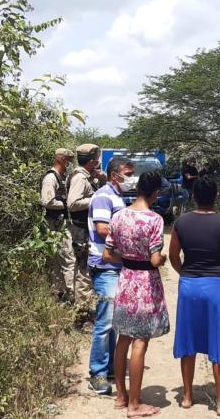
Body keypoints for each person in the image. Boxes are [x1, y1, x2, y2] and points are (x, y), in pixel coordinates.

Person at [169, 177, 220, 416]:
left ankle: (188, 397)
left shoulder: (182, 222)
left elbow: (173, 256)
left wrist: (186, 274)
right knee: (219, 341)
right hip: (216, 286)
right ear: (217, 195)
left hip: (189, 284)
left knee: (188, 340)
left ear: (193, 197)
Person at [102, 171, 170, 418]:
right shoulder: (154, 220)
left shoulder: (118, 217)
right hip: (145, 285)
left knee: (123, 340)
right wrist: (160, 258)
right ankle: (134, 404)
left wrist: (129, 258)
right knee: (140, 342)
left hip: (126, 281)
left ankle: (121, 397)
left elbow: (107, 255)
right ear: (155, 193)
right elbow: (154, 260)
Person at [85, 157, 134, 395]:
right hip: (104, 266)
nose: (131, 177)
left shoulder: (117, 197)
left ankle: (112, 367)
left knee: (114, 320)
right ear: (115, 174)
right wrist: (130, 239)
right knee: (105, 322)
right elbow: (102, 229)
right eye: (128, 173)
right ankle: (97, 374)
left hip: (116, 264)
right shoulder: (104, 195)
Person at [41, 148, 90, 302]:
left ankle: (59, 294)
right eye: (68, 160)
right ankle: (72, 296)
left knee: (60, 260)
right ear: (61, 159)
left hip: (60, 224)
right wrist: (65, 204)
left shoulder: (61, 177)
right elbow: (47, 201)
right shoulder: (51, 178)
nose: (69, 163)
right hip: (56, 226)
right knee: (69, 260)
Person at [68, 144, 107, 304]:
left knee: (85, 270)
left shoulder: (89, 176)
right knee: (84, 272)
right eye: (97, 158)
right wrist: (95, 199)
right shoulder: (80, 178)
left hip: (85, 229)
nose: (98, 161)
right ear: (92, 160)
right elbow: (72, 203)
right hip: (80, 230)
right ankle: (82, 314)